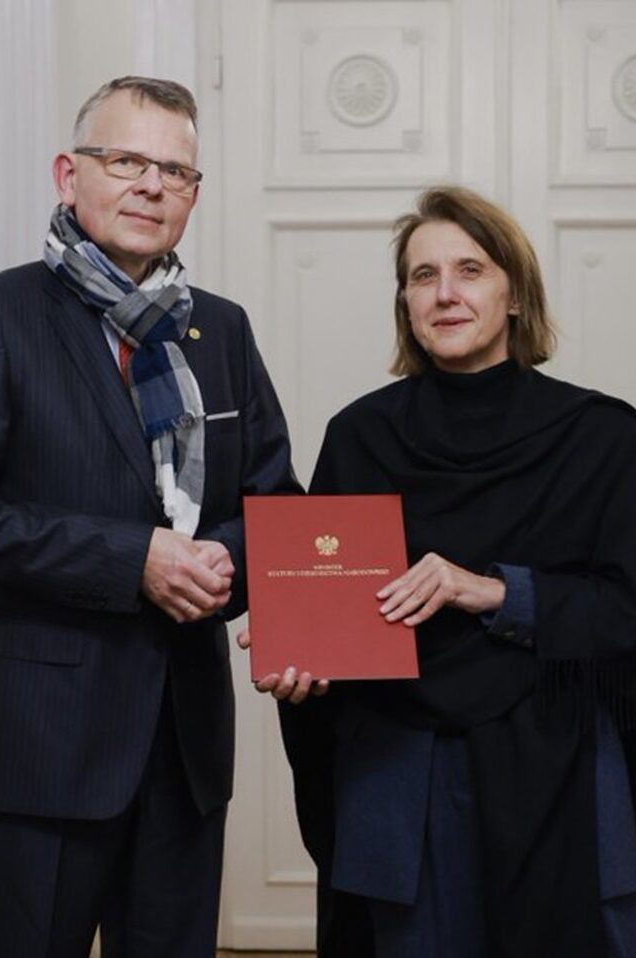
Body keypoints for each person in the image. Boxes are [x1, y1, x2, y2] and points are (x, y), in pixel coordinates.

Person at [0, 76, 299, 958]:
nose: (152, 186)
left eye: (176, 171)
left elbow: (274, 506)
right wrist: (134, 561)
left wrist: (221, 561)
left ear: (193, 194)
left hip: (183, 752)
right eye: (126, 160)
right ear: (70, 174)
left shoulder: (223, 330)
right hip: (32, 749)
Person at [247, 186, 636, 957]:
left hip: (557, 768)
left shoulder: (602, 436)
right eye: (423, 276)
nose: (446, 293)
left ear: (515, 294)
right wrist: (300, 660)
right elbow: (327, 607)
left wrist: (493, 590)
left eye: (471, 270)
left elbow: (626, 610)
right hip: (400, 776)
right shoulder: (360, 435)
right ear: (405, 302)